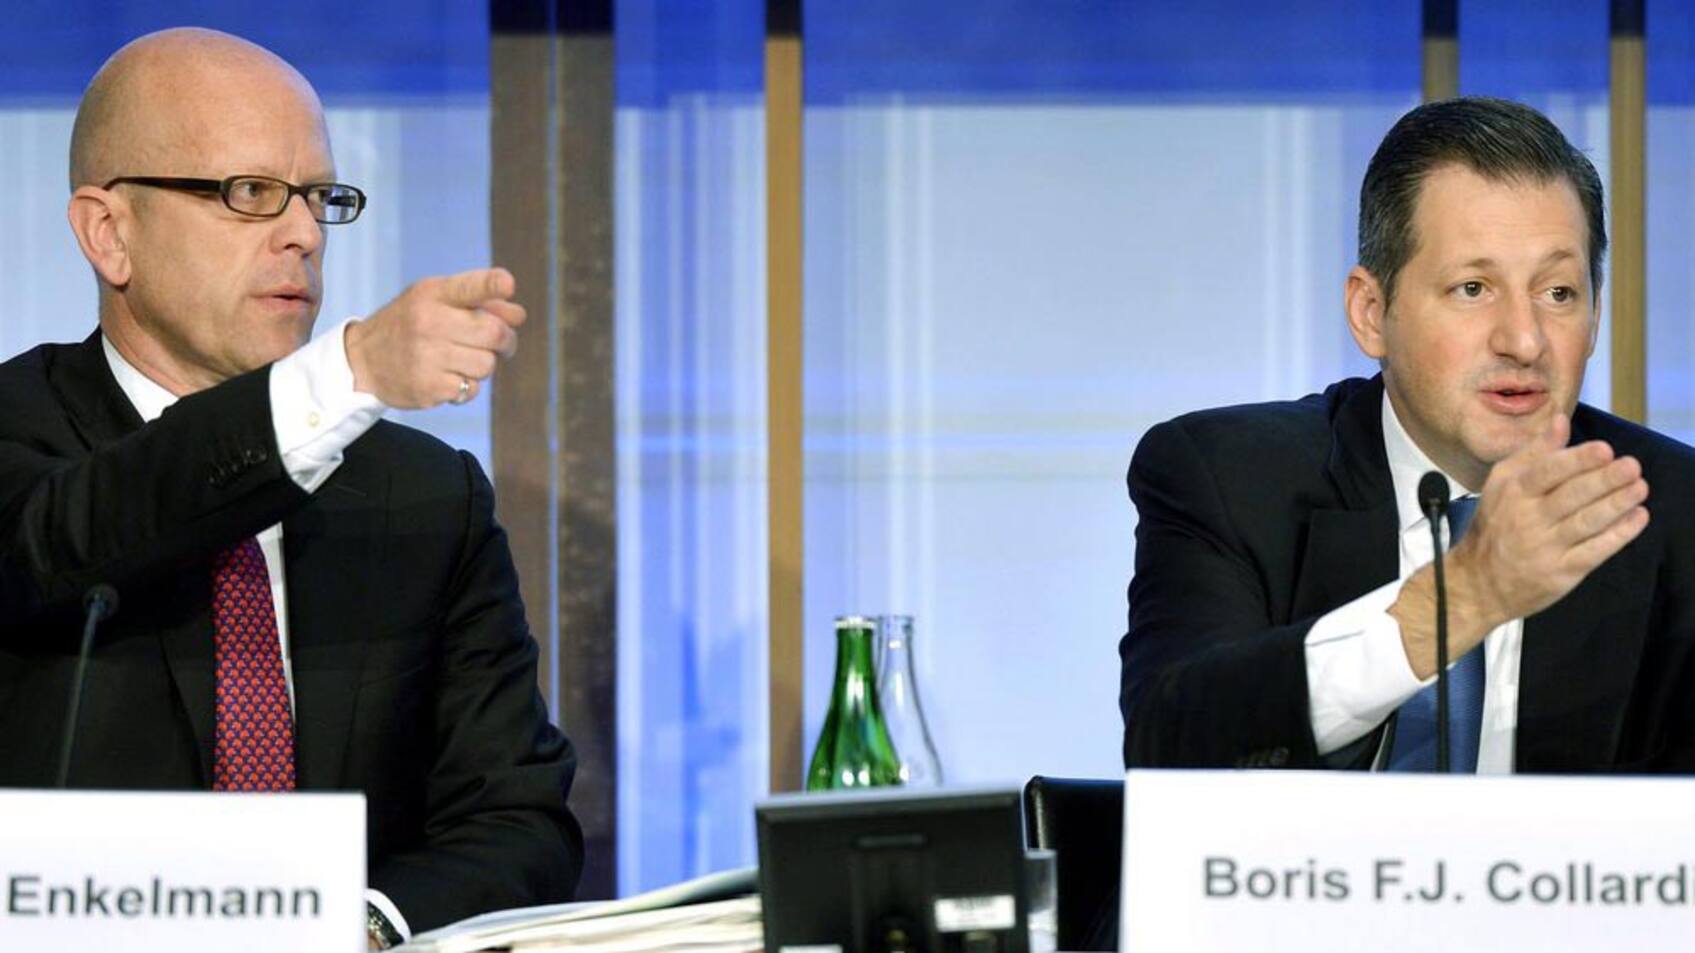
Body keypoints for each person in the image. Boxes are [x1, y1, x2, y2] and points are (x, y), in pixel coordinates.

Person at [0, 27, 581, 947]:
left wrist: (356, 927)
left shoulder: (429, 496)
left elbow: (517, 820)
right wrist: (350, 372)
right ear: (110, 233)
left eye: (318, 197)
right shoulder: (17, 433)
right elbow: (77, 531)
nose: (304, 234)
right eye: (250, 193)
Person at [1120, 96, 1695, 774]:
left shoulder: (1672, 511)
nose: (1524, 340)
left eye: (1558, 293)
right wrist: (1463, 597)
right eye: (1473, 288)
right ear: (1371, 313)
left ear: (1594, 317)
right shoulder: (1230, 478)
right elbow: (1171, 742)